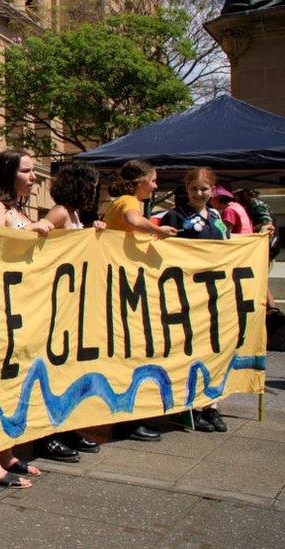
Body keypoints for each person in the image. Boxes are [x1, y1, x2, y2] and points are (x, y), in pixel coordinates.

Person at [0, 149, 51, 489]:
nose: (34, 177)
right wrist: (30, 231)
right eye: (27, 171)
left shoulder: (19, 210)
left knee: (13, 384)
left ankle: (6, 453)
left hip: (20, 306)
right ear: (9, 173)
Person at [102, 160, 177, 443]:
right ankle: (127, 421)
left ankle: (128, 418)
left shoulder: (123, 201)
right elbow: (134, 222)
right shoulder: (128, 201)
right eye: (153, 180)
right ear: (140, 181)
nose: (156, 185)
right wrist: (158, 231)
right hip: (125, 289)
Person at [41, 160, 105, 457]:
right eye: (91, 186)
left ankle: (68, 428)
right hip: (57, 304)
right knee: (54, 375)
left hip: (74, 302)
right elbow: (35, 241)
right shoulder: (60, 212)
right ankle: (47, 435)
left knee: (70, 373)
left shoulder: (77, 214)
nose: (94, 192)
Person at [157, 168, 229, 433]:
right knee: (188, 351)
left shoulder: (217, 217)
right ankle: (187, 407)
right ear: (186, 189)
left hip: (212, 294)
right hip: (185, 296)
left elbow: (228, 246)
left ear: (212, 190)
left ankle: (211, 406)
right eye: (194, 189)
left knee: (213, 349)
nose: (199, 193)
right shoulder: (175, 216)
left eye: (204, 189)